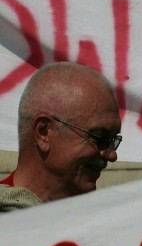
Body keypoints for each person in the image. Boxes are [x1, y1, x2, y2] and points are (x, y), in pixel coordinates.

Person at [0, 62, 121, 212]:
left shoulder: (104, 226)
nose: (112, 155)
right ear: (44, 132)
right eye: (100, 137)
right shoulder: (6, 224)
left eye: (113, 140)